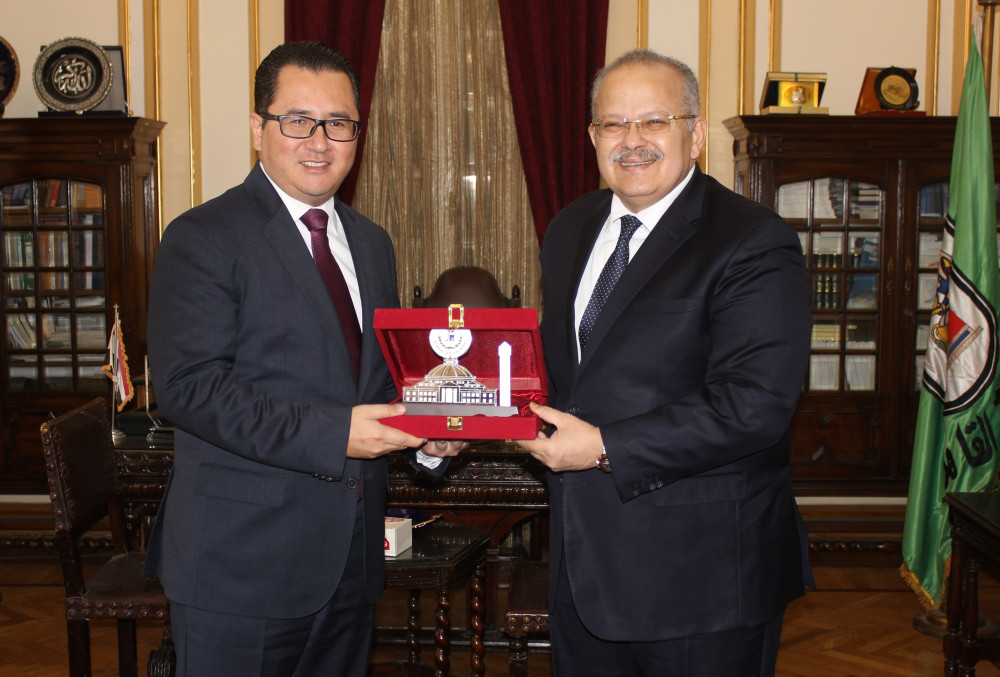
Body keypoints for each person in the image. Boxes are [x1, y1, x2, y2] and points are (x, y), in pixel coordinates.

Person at [144, 41, 464, 677]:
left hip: (351, 562)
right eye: (298, 120)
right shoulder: (202, 236)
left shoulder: (372, 244)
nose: (320, 142)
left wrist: (431, 433)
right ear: (258, 127)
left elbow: (378, 381)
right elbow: (189, 387)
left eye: (339, 123)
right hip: (239, 567)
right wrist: (336, 434)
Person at [519, 49, 813, 676]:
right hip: (582, 564)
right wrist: (469, 408)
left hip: (701, 579)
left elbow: (754, 405)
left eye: (654, 121)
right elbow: (567, 371)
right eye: (613, 123)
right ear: (592, 136)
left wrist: (604, 447)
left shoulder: (752, 239)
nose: (632, 141)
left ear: (696, 134)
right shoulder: (569, 227)